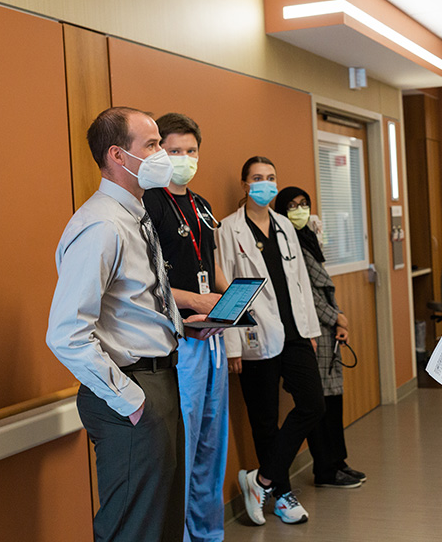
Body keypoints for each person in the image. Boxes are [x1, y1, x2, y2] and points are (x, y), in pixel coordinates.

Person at [46, 107, 219, 542]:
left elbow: (134, 303)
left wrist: (184, 326)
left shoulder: (135, 216)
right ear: (119, 156)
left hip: (161, 379)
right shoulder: (101, 225)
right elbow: (65, 333)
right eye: (154, 145)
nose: (164, 155)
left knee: (160, 524)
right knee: (133, 529)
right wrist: (131, 400)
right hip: (131, 391)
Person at [217, 157, 324, 526]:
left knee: (313, 404)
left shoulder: (284, 226)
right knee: (264, 421)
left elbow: (300, 284)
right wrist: (232, 345)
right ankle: (281, 495)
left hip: (294, 332)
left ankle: (259, 480)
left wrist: (310, 331)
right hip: (254, 335)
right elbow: (226, 288)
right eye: (257, 178)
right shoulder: (228, 230)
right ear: (245, 185)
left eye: (271, 178)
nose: (265, 184)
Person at [144, 113, 230, 542]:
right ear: (159, 152)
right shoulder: (149, 203)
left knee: (212, 447)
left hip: (212, 337)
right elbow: (147, 280)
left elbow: (211, 268)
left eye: (190, 151)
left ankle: (208, 534)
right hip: (180, 342)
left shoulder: (202, 205)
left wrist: (234, 297)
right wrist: (196, 301)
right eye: (173, 150)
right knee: (184, 445)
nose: (183, 158)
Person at [274, 186, 366, 489]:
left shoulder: (309, 238)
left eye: (304, 204)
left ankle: (338, 462)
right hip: (313, 330)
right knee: (320, 404)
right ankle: (325, 469)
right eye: (292, 205)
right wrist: (335, 316)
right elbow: (306, 294)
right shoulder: (287, 242)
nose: (299, 210)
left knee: (334, 400)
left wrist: (338, 318)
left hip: (329, 329)